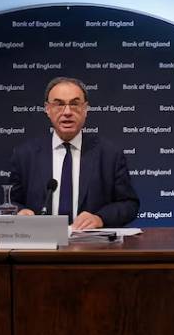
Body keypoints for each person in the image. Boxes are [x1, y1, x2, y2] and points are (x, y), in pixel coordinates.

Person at [9, 76, 139, 229]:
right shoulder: (25, 155)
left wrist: (100, 218)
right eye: (59, 104)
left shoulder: (110, 155)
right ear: (47, 109)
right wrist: (20, 212)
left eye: (75, 104)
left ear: (85, 109)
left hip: (92, 248)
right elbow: (11, 202)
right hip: (41, 246)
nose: (67, 112)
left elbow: (129, 204)